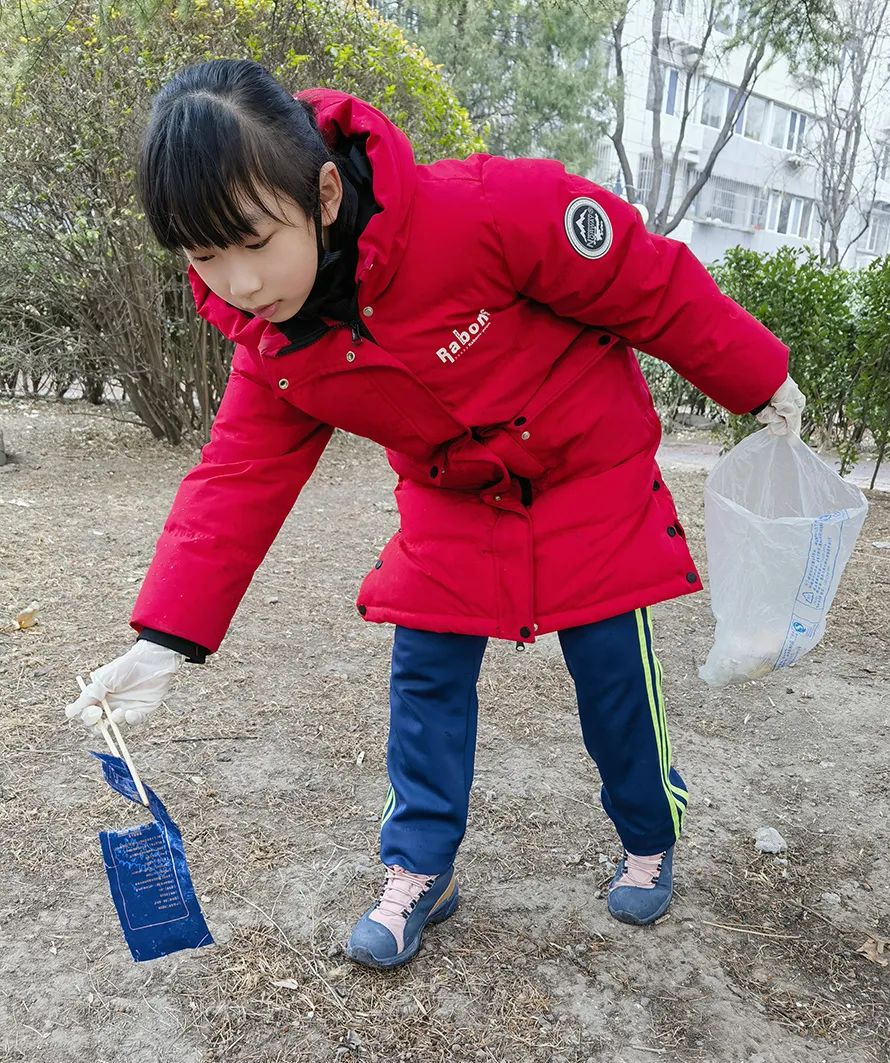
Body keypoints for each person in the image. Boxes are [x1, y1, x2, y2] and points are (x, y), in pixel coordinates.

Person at [66, 59, 805, 970]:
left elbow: (644, 278)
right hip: (453, 492)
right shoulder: (278, 345)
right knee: (424, 674)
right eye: (205, 257)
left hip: (584, 464)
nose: (241, 283)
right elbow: (236, 480)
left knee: (612, 670)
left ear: (323, 193)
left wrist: (758, 377)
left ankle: (650, 835)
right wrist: (162, 642)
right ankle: (420, 869)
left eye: (254, 242)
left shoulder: (489, 210)